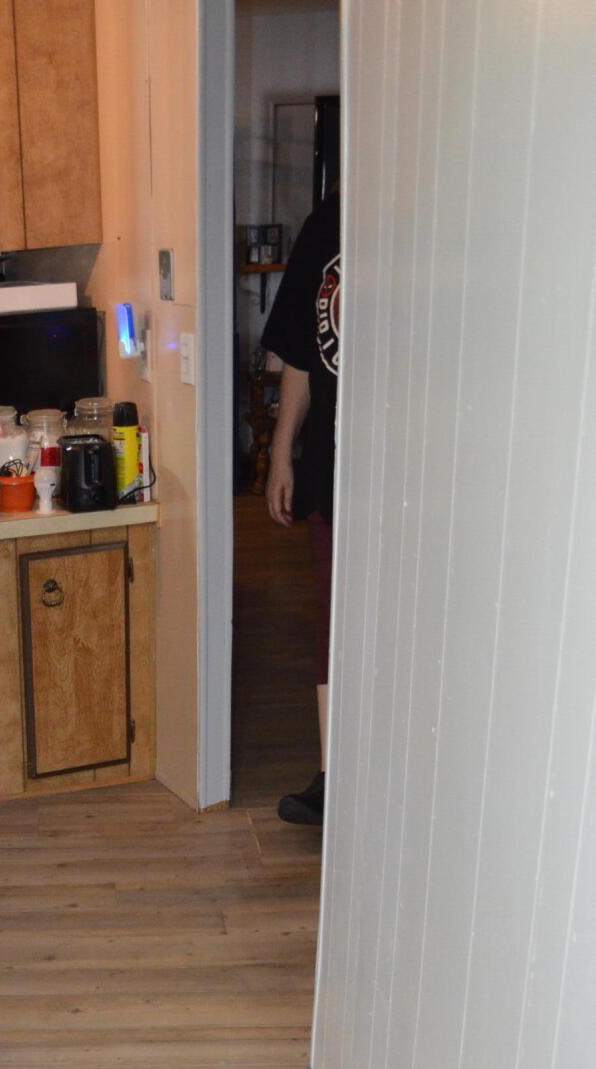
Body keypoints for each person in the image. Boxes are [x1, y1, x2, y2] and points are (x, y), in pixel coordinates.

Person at [262, 186, 339, 827]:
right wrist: (281, 453)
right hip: (333, 468)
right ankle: (332, 775)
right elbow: (300, 354)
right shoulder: (328, 225)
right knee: (334, 626)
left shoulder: (435, 213)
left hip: (417, 479)